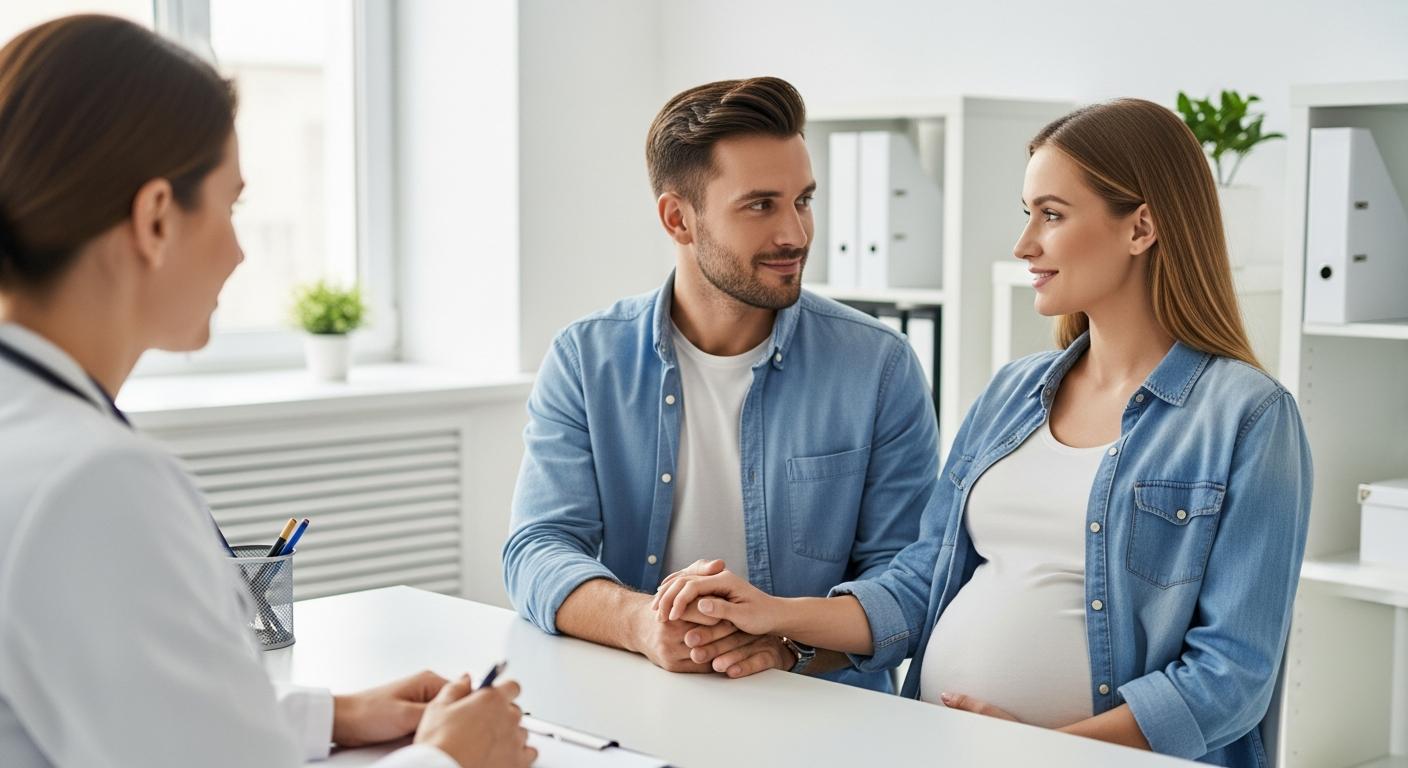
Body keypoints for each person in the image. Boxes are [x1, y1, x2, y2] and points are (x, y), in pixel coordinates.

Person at [655, 98, 1312, 767]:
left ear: (1140, 227)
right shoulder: (1014, 392)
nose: (1025, 244)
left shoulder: (1247, 417)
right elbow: (921, 581)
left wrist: (1036, 754)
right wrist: (775, 613)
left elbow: (1231, 678)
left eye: (1052, 214)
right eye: (1027, 214)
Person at [0, 15, 534, 768]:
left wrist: (330, 716)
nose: (239, 249)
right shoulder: (93, 481)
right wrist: (451, 757)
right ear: (156, 218)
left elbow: (129, 715)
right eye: (231, 207)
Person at [502, 77, 937, 691]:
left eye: (803, 200)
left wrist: (788, 644)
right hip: (642, 698)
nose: (796, 234)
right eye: (761, 205)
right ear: (678, 218)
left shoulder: (880, 366)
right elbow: (537, 548)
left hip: (820, 713)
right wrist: (643, 624)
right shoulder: (586, 358)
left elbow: (911, 581)